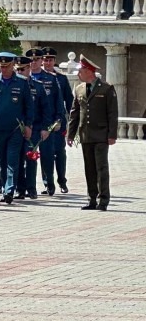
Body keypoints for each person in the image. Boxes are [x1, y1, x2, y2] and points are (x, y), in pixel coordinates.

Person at [0, 52, 34, 205]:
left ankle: (10, 190)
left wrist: (28, 125)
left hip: (15, 129)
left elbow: (29, 106)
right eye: (1, 66)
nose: (3, 69)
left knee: (12, 160)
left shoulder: (22, 83)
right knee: (1, 161)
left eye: (7, 66)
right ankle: (5, 188)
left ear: (13, 66)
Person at [67, 55, 118, 211]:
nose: (78, 74)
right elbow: (74, 113)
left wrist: (112, 135)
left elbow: (112, 113)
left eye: (80, 70)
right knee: (89, 168)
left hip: (101, 135)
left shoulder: (106, 88)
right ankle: (91, 199)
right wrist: (70, 134)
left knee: (101, 168)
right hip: (86, 135)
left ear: (89, 71)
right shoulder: (79, 88)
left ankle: (103, 200)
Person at [13, 55, 53, 200]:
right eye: (17, 70)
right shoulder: (14, 85)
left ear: (29, 68)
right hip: (16, 129)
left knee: (30, 158)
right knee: (16, 159)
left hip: (34, 128)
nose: (20, 72)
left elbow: (46, 109)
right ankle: (20, 189)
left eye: (22, 69)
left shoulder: (38, 86)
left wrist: (45, 128)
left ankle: (31, 189)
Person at [41, 47, 73, 194]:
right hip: (43, 122)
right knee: (44, 153)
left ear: (54, 61)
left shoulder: (61, 78)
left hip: (58, 121)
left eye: (50, 60)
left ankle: (62, 181)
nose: (47, 63)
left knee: (59, 152)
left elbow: (69, 101)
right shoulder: (38, 78)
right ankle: (48, 183)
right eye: (45, 60)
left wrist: (66, 120)